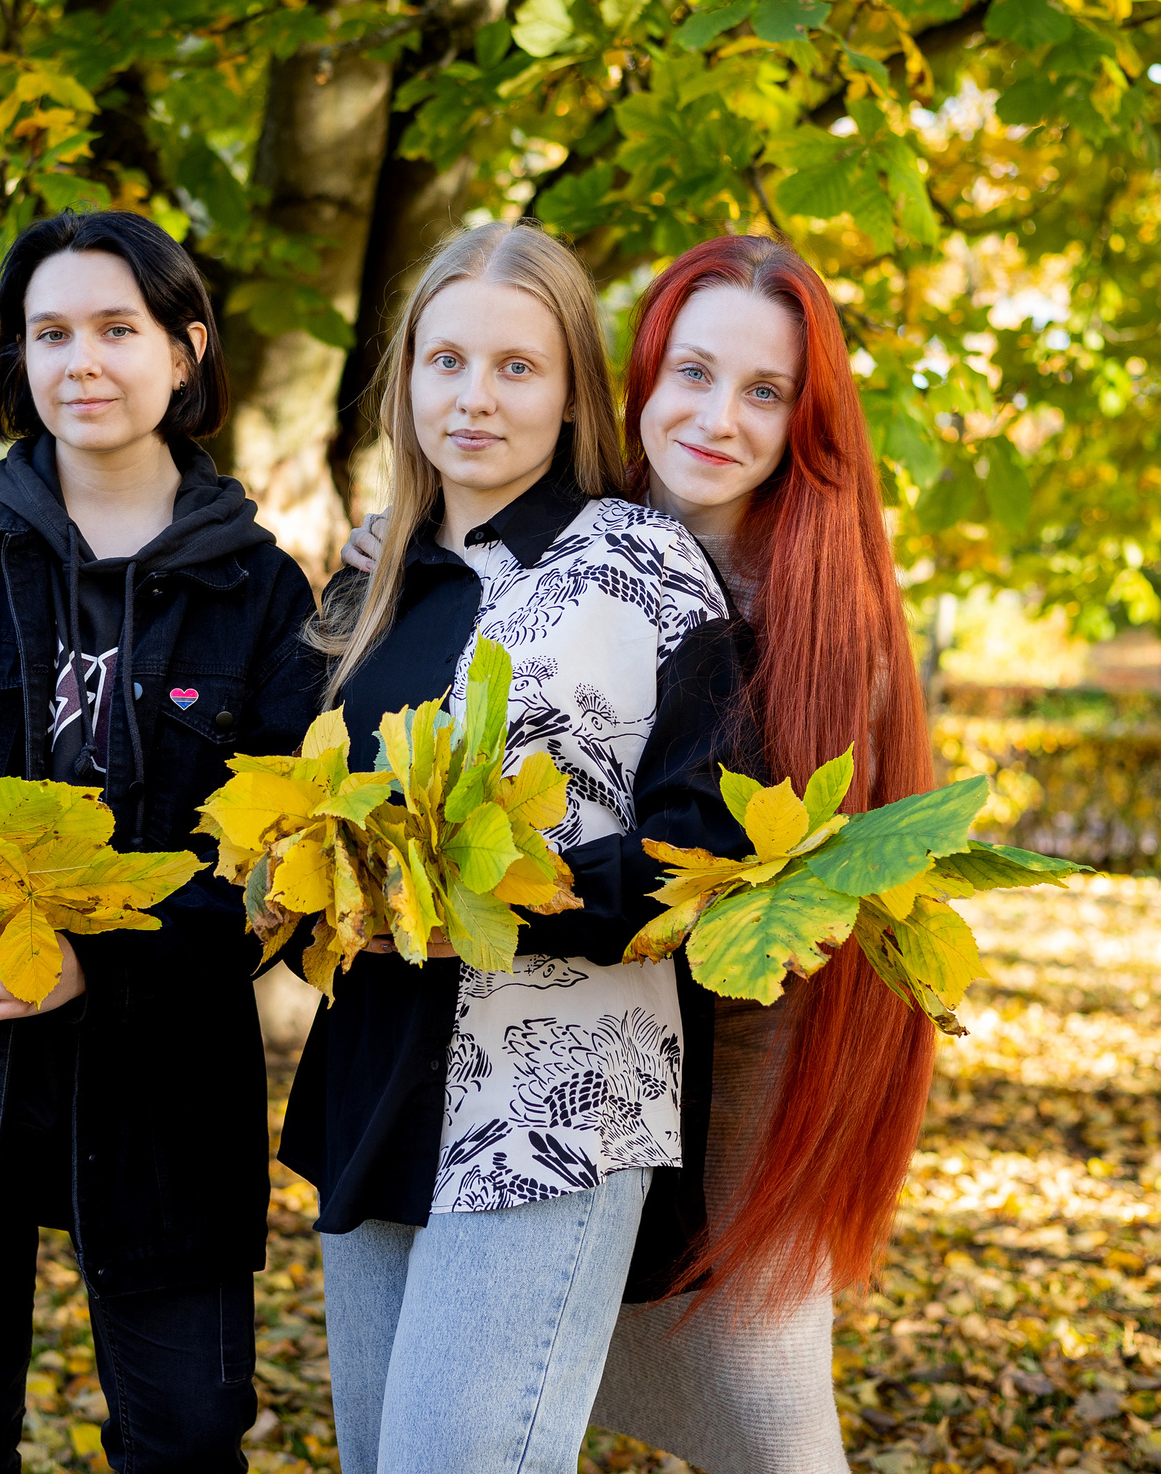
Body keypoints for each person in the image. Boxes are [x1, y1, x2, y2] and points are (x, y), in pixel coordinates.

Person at [347, 231, 941, 1474]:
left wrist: (499, 892)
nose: (716, 418)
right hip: (479, 1058)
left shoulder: (817, 627)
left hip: (727, 1059)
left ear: (807, 420)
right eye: (689, 373)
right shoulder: (535, 545)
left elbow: (764, 902)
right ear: (635, 381)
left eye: (764, 390)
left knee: (763, 1410)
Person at [0, 209, 324, 1474]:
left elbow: (284, 863)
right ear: (17, 359)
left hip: (160, 1083)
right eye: (49, 333)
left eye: (116, 329)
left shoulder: (263, 593)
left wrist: (101, 965)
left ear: (187, 349)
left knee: (187, 1439)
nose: (80, 361)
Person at [284, 221, 742, 1474]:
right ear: (406, 382)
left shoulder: (646, 571)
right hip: (375, 1080)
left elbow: (701, 849)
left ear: (572, 390)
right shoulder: (364, 592)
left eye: (515, 367)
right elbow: (281, 830)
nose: (473, 398)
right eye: (445, 362)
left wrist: (475, 887)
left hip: (558, 1097)